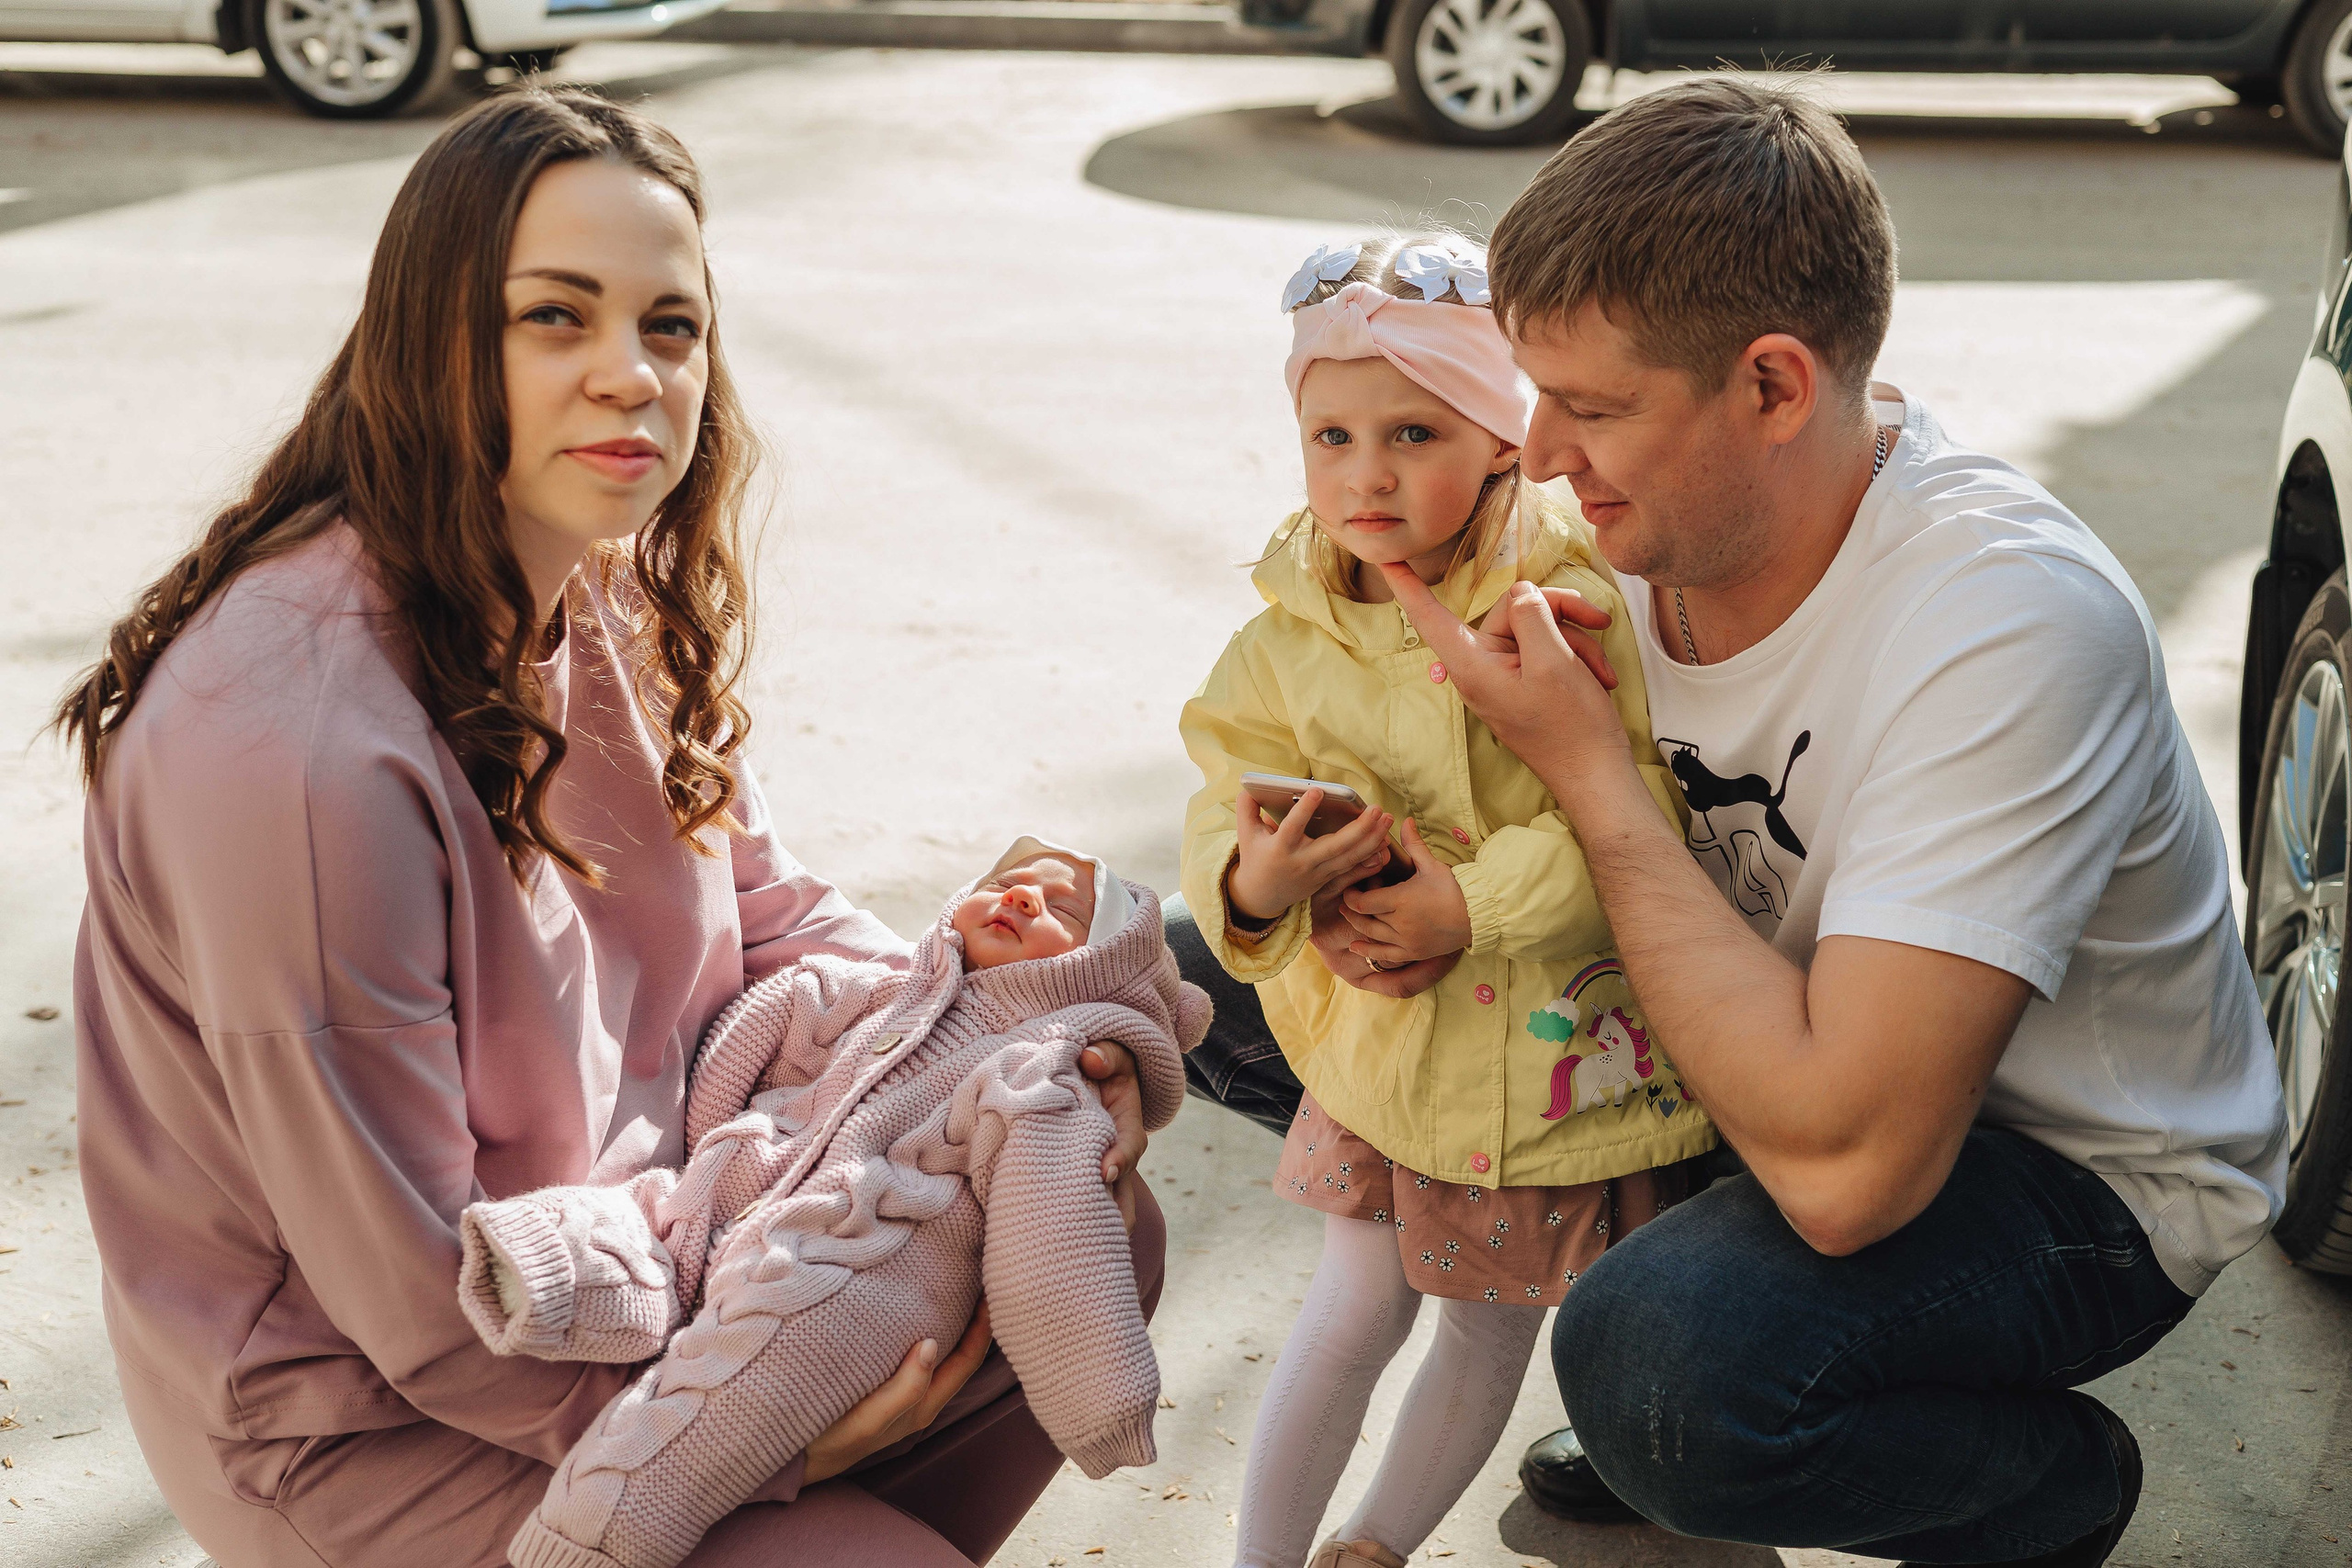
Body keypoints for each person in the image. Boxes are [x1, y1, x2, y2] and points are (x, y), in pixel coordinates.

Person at [57, 89, 1160, 1568]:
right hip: (374, 1409)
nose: (631, 374)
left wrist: (980, 1013)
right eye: (554, 317)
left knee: (1087, 1218)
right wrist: (755, 1435)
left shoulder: (601, 583)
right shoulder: (299, 751)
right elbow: (411, 1290)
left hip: (659, 1250)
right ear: (434, 337)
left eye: (672, 325)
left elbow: (771, 916)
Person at [1366, 77, 2290, 1566]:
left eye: (1591, 407)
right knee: (1224, 971)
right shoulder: (1622, 526)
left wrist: (1592, 777)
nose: (1536, 455)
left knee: (1664, 1370)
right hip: (1777, 1040)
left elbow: (1855, 1177)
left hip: (2072, 1167)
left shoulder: (2006, 623)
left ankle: (2036, 1485)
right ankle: (1708, 1327)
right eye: (1534, 392)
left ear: (1776, 387)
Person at [1177, 232, 1716, 1568]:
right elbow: (1221, 796)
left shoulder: (1571, 606)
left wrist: (1471, 904)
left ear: (1497, 438)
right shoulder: (1283, 638)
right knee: (1356, 1303)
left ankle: (1376, 1544)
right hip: (1388, 1052)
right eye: (1332, 435)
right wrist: (1254, 882)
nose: (1365, 473)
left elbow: (1627, 821)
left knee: (1489, 1320)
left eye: (1412, 432)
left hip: (1544, 1055)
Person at [457, 842, 1205, 1568]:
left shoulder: (1040, 1077)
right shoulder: (881, 993)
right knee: (644, 1214)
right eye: (1007, 879)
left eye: (1063, 909)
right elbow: (757, 1040)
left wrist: (1101, 1401)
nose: (1021, 894)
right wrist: (720, 1130)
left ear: (1099, 968)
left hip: (861, 1278)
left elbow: (1055, 1240)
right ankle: (535, 1274)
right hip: (745, 1199)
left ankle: (586, 1540)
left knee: (727, 1388)